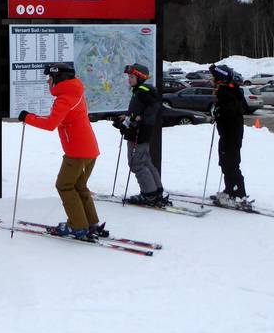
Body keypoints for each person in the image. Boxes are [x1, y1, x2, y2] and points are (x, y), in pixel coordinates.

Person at [17, 62, 104, 239]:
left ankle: (77, 226)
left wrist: (28, 118)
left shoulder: (64, 99)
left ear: (58, 78)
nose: (48, 81)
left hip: (77, 152)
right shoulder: (74, 93)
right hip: (88, 150)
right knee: (79, 186)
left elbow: (51, 124)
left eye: (50, 77)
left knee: (64, 185)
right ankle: (90, 223)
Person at [113, 63, 165, 206]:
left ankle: (149, 195)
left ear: (140, 78)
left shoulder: (143, 91)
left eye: (131, 77)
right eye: (129, 77)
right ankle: (156, 191)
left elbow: (154, 106)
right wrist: (128, 117)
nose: (129, 79)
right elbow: (139, 110)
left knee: (136, 164)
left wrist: (140, 118)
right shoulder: (140, 91)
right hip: (140, 131)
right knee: (145, 162)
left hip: (138, 133)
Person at [209, 63, 248, 204]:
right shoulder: (230, 91)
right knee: (226, 164)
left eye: (214, 77)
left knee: (231, 165)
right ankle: (229, 190)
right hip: (229, 135)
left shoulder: (227, 93)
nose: (212, 80)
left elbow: (230, 113)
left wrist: (218, 113)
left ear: (221, 79)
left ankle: (239, 194)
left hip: (230, 136)